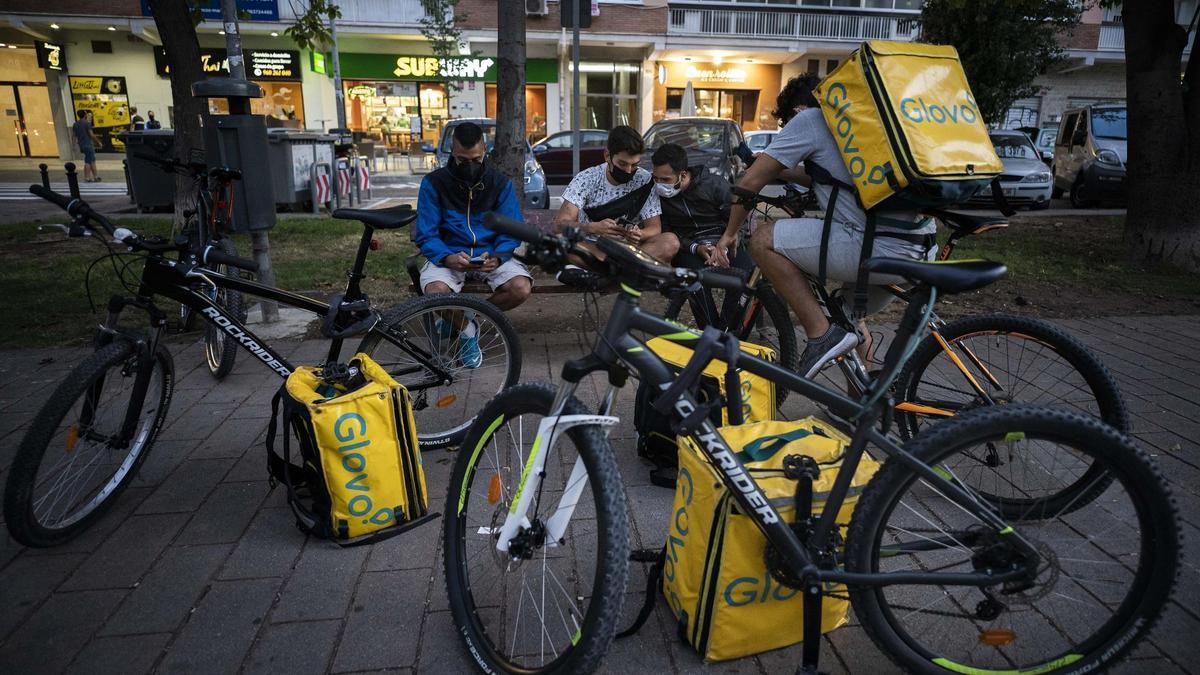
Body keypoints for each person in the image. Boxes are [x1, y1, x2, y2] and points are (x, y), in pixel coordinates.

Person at [711, 74, 937, 378]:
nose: (786, 129)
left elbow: (750, 182)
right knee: (847, 316)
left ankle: (820, 335)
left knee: (764, 239)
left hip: (876, 247)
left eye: (786, 122)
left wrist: (730, 233)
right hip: (919, 244)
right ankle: (860, 405)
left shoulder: (810, 120)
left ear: (799, 110)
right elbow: (837, 179)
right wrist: (789, 174)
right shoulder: (856, 124)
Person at [414, 122, 532, 366]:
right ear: (451, 153)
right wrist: (447, 257)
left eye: (476, 159)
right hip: (448, 255)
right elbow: (426, 233)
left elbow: (510, 229)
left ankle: (463, 317)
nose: (470, 165)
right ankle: (467, 330)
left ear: (485, 151)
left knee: (520, 288)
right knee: (435, 294)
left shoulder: (500, 184)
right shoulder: (434, 184)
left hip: (490, 255)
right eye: (462, 160)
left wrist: (498, 256)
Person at [555, 125, 678, 287]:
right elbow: (560, 225)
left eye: (634, 165)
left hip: (629, 251)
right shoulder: (586, 179)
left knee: (670, 242)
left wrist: (639, 234)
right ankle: (623, 273)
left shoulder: (645, 180)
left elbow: (654, 228)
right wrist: (593, 228)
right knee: (559, 242)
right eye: (622, 164)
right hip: (593, 248)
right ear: (607, 155)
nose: (628, 171)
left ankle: (605, 274)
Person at [650, 142, 750, 321]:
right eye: (656, 178)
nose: (659, 185)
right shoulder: (659, 197)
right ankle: (709, 330)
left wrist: (723, 246)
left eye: (665, 180)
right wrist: (696, 247)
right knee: (694, 280)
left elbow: (737, 218)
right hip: (688, 248)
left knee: (745, 273)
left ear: (682, 174)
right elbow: (666, 231)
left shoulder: (714, 185)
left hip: (723, 243)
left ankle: (729, 329)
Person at [72, 110, 101, 183]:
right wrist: (98, 142)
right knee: (88, 161)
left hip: (82, 145)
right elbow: (91, 135)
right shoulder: (87, 123)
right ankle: (87, 178)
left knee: (92, 160)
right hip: (88, 144)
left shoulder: (75, 124)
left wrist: (74, 145)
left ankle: (95, 176)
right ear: (85, 115)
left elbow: (74, 136)